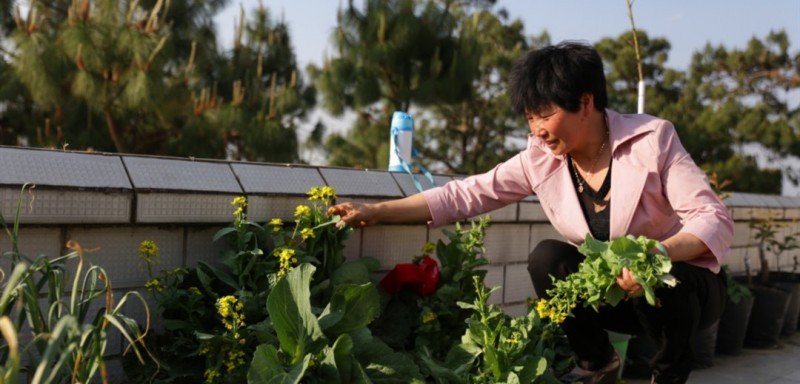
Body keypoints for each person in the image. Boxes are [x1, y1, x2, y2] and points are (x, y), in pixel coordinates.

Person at [327, 41, 733, 384]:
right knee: (548, 258)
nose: (537, 129)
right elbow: (462, 195)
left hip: (685, 296)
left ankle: (668, 374)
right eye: (529, 118)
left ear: (585, 103)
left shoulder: (652, 140)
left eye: (545, 115)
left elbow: (711, 217)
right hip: (615, 297)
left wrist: (657, 254)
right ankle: (598, 364)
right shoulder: (540, 159)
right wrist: (374, 211)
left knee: (666, 278)